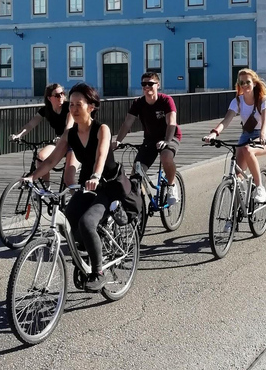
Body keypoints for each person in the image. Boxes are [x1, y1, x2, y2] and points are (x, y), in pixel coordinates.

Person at [23, 83, 129, 291]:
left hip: (107, 185)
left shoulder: (102, 129)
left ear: (91, 106)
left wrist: (96, 176)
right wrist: (32, 177)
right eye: (70, 104)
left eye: (77, 104)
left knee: (87, 222)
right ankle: (91, 249)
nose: (72, 109)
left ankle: (98, 271)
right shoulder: (70, 134)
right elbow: (52, 160)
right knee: (68, 221)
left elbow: (100, 156)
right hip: (87, 186)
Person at [203, 69, 266, 203]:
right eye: (241, 83)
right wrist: (214, 133)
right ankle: (236, 212)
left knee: (248, 150)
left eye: (247, 82)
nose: (244, 85)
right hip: (246, 135)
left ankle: (260, 187)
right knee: (237, 176)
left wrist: (262, 135)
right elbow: (226, 121)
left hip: (265, 136)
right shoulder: (237, 101)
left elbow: (265, 120)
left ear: (254, 83)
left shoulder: (262, 99)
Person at [113, 72, 181, 205]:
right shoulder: (138, 103)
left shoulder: (166, 100)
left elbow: (171, 123)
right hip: (150, 139)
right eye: (144, 84)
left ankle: (171, 186)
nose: (146, 86)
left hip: (170, 136)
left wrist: (167, 141)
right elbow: (127, 123)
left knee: (166, 156)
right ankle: (139, 204)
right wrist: (118, 141)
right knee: (136, 173)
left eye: (150, 83)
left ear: (158, 85)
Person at [11, 83, 77, 186]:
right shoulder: (46, 110)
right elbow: (30, 124)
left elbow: (68, 127)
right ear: (49, 98)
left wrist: (61, 138)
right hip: (59, 141)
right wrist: (18, 135)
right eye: (57, 95)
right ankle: (47, 188)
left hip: (73, 142)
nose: (61, 97)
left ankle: (76, 200)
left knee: (68, 179)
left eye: (62, 94)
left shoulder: (68, 108)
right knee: (40, 157)